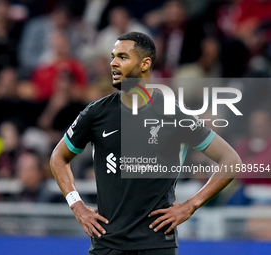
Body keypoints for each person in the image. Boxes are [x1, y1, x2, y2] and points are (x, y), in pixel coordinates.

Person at [50, 31, 241, 254]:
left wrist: (191, 205)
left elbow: (231, 160)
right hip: (107, 245)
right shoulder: (95, 114)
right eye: (113, 56)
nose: (113, 63)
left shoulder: (173, 114)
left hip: (156, 245)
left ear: (145, 63)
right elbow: (58, 157)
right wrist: (77, 205)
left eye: (122, 57)